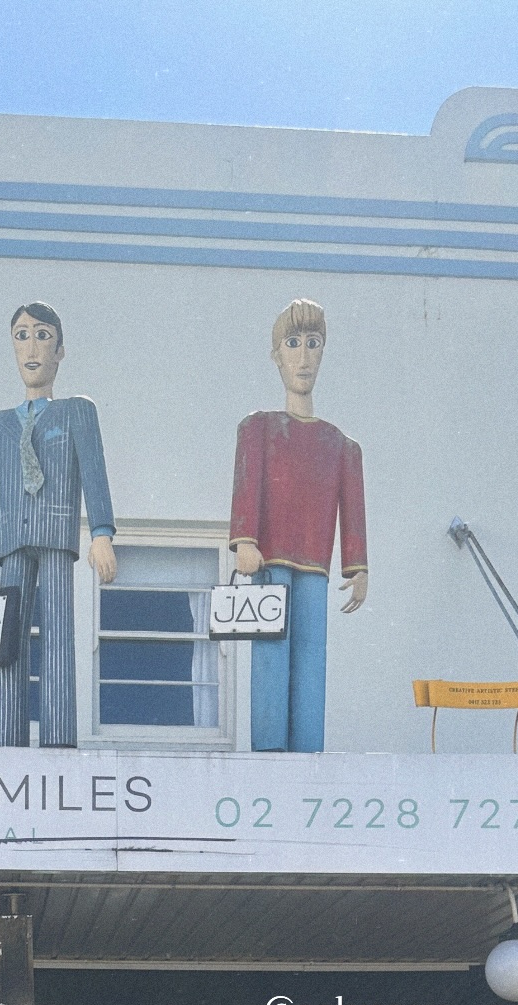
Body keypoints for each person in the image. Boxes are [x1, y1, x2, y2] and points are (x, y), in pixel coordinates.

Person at [0, 302, 117, 747]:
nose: (32, 347)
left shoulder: (76, 412)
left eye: (43, 335)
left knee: (59, 634)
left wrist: (101, 532)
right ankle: (8, 742)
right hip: (11, 541)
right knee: (7, 639)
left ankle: (58, 740)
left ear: (59, 350)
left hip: (56, 535)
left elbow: (94, 473)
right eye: (22, 335)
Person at [229, 297, 368, 753]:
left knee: (311, 655)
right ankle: (269, 750)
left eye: (313, 343)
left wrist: (357, 566)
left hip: (315, 562)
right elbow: (247, 482)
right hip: (269, 557)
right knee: (271, 651)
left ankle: (308, 753)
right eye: (293, 344)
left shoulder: (341, 445)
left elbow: (352, 510)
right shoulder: (259, 427)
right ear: (277, 355)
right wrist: (244, 538)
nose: (303, 357)